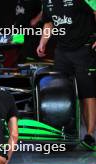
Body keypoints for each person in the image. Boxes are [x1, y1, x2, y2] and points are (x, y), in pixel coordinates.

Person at [37, 0, 96, 149]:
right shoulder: (47, 2)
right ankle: (66, 132)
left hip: (84, 49)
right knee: (61, 91)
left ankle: (89, 135)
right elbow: (49, 24)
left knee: (86, 92)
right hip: (62, 51)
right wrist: (43, 42)